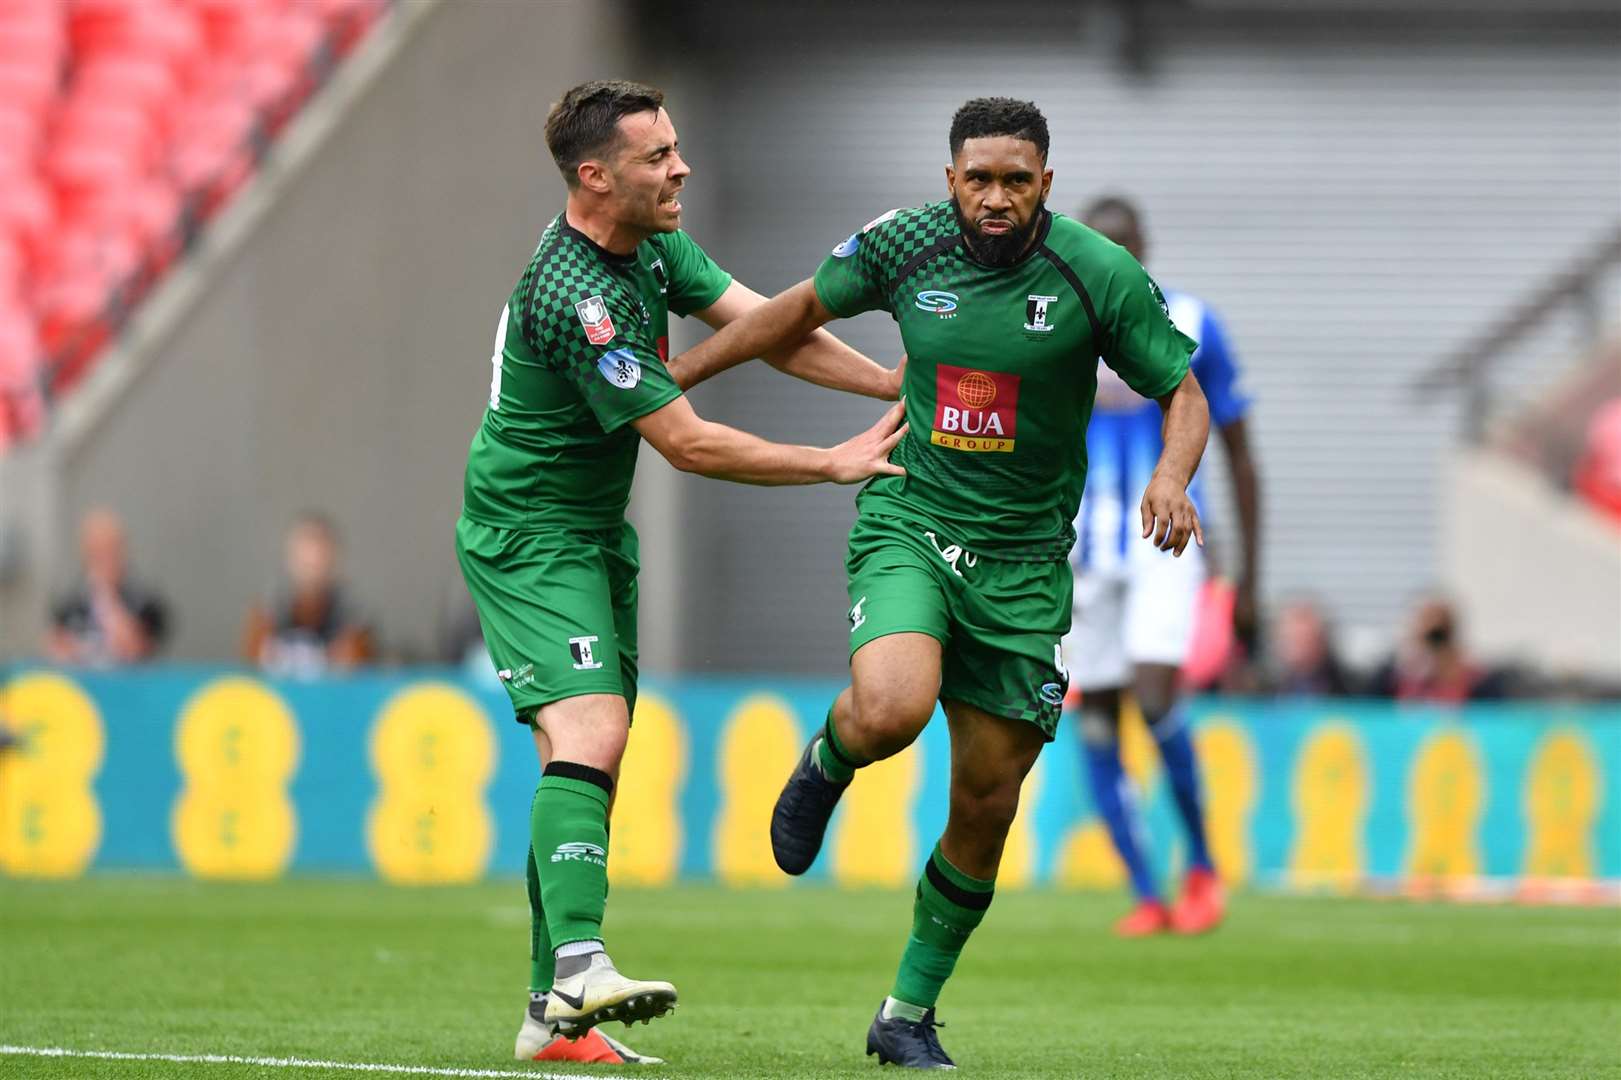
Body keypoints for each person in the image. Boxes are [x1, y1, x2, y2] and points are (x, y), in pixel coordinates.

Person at [668, 97, 1208, 1069]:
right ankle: (831, 759)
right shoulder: (901, 246)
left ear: (1045, 181)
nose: (994, 197)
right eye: (977, 179)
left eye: (1015, 180)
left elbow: (1185, 394)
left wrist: (1170, 476)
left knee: (986, 802)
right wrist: (677, 380)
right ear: (949, 179)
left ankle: (905, 1014)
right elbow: (789, 316)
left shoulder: (1096, 274)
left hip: (1027, 564)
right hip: (912, 523)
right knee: (892, 706)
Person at [455, 81, 905, 1067]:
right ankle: (578, 966)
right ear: (594, 178)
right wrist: (831, 461)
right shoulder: (577, 294)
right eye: (657, 156)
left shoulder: (652, 243)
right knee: (592, 731)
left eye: (675, 148)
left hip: (591, 531)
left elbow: (768, 323)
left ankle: (550, 1021)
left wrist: (889, 381)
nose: (680, 167)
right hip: (528, 534)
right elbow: (688, 445)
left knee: (585, 764)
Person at [1060, 194, 1262, 938]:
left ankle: (1202, 869)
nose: (1113, 256)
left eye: (1125, 245)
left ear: (1143, 248)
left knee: (1152, 697)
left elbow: (1240, 451)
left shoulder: (1190, 323)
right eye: (1099, 245)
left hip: (1161, 546)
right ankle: (1147, 892)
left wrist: (1248, 577)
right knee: (1096, 718)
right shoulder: (1055, 322)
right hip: (1079, 554)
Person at [241, 512, 374, 677]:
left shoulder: (353, 615)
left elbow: (357, 669)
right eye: (304, 556)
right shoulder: (268, 612)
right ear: (290, 557)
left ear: (334, 558)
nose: (312, 563)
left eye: (320, 554)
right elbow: (253, 668)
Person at [46, 508, 170, 665]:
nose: (103, 560)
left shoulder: (145, 602)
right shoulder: (69, 603)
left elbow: (134, 650)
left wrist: (107, 599)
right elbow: (56, 648)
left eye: (109, 550)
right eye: (95, 552)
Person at [1272, 596, 1352, 697]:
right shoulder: (1267, 689)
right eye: (1292, 640)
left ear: (1321, 641)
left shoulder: (1347, 688)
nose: (1298, 650)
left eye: (1304, 639)